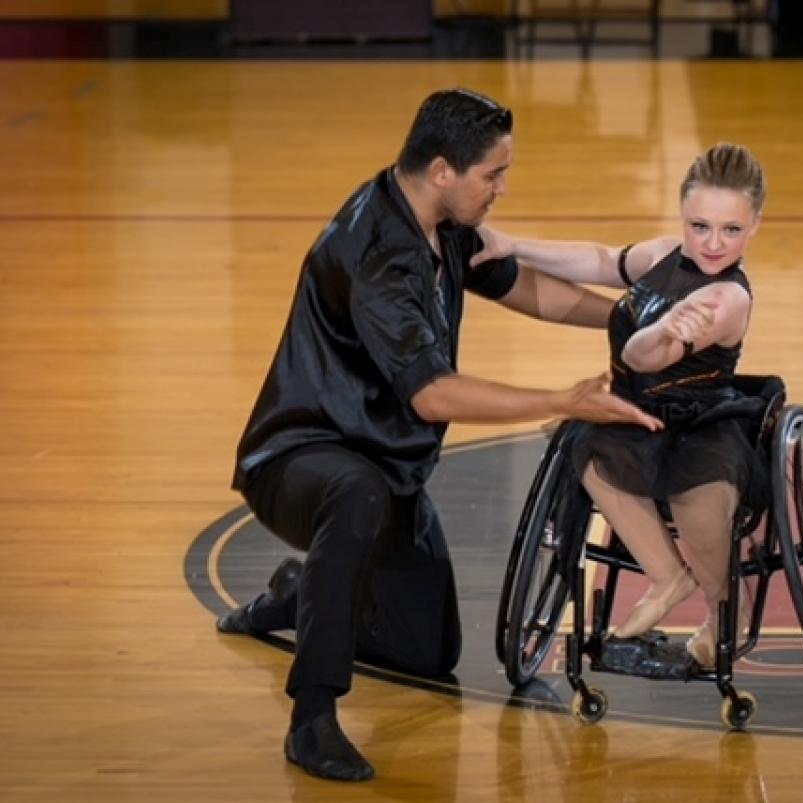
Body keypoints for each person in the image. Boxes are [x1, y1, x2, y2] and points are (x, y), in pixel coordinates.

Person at [217, 88, 662, 783]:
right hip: (299, 459)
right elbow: (431, 394)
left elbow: (525, 288)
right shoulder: (377, 254)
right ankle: (311, 718)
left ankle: (302, 593)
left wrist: (633, 329)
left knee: (427, 650)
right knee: (355, 492)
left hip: (382, 466)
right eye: (494, 174)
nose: (503, 188)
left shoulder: (446, 224)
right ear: (444, 171)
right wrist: (562, 400)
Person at [475, 142, 769, 672]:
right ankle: (667, 575)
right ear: (683, 217)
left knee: (695, 495)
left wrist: (659, 329)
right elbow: (601, 260)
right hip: (637, 411)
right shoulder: (663, 256)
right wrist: (511, 245)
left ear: (754, 228)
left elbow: (642, 353)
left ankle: (729, 612)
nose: (712, 243)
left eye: (730, 230)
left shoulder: (727, 301)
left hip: (699, 422)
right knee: (587, 449)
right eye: (699, 226)